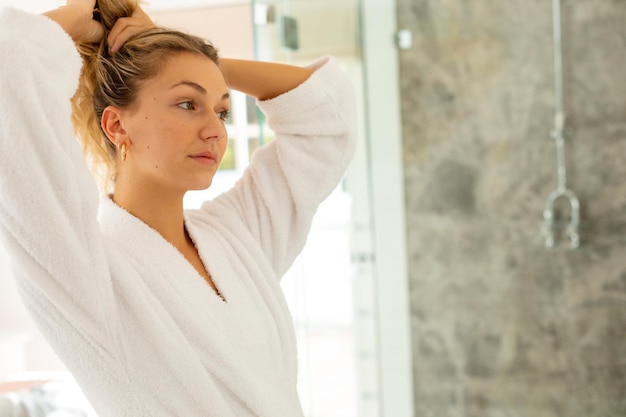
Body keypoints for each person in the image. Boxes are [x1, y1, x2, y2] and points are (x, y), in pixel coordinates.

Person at [0, 0, 357, 415]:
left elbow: (326, 122)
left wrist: (193, 61)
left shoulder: (235, 235)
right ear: (117, 125)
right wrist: (79, 16)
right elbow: (9, 67)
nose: (214, 131)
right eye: (188, 104)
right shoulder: (84, 271)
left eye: (222, 110)